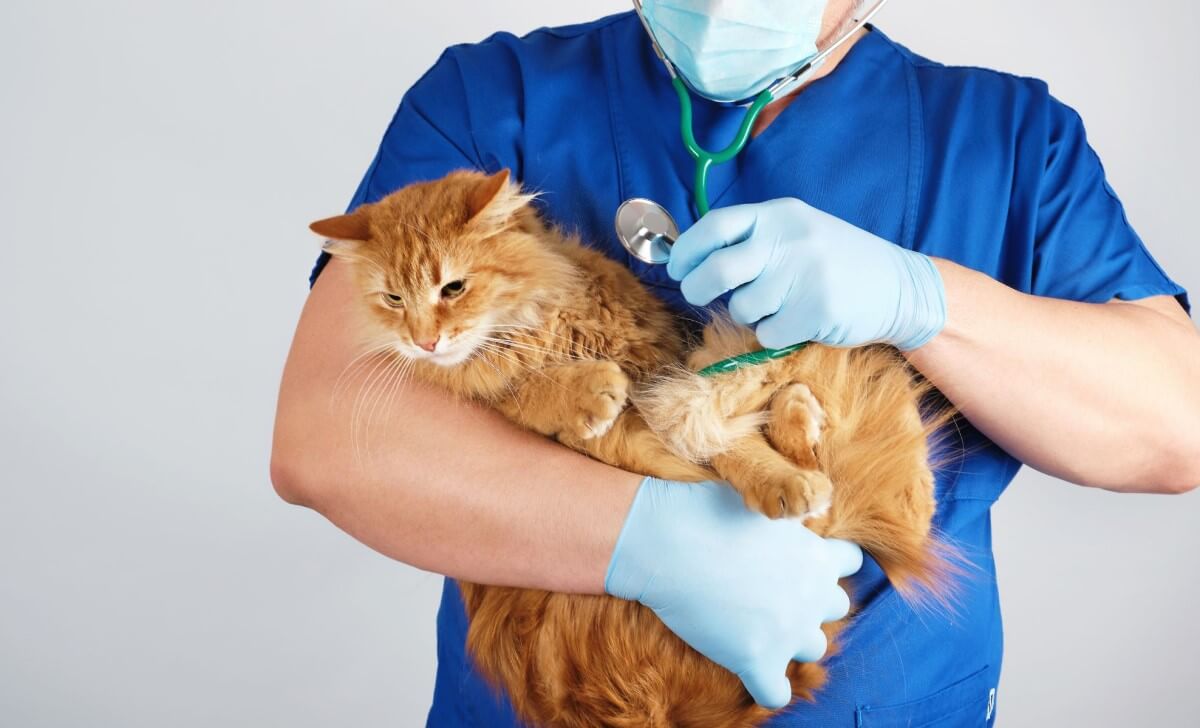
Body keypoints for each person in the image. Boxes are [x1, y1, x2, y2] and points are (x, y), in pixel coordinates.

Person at [271, 1, 1200, 725]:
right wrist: (644, 539)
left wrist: (924, 299)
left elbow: (1174, 427)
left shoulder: (1006, 138)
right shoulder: (490, 99)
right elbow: (329, 435)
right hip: (554, 698)